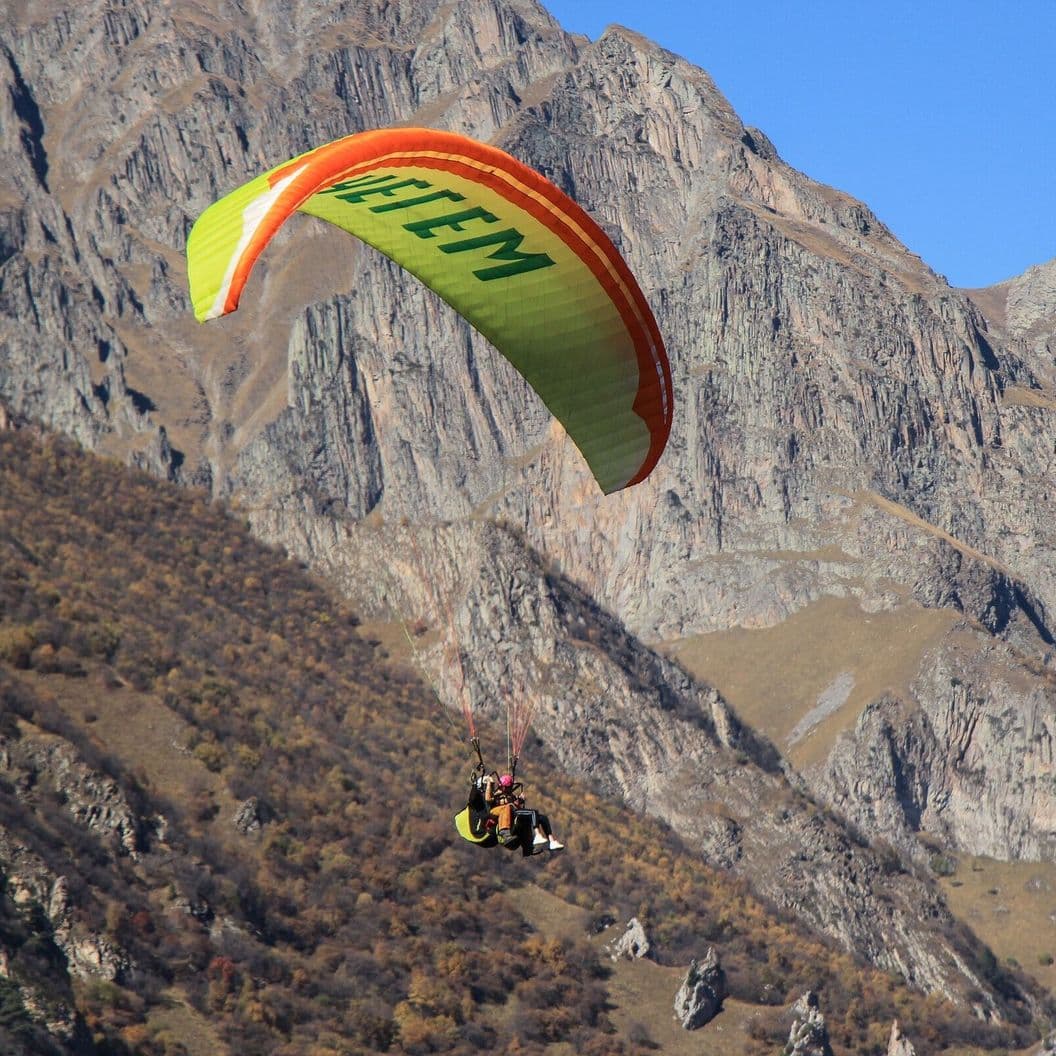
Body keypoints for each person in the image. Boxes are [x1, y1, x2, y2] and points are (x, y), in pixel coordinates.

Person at [483, 772, 563, 853]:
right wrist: (489, 784)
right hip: (499, 813)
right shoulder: (497, 795)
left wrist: (519, 801)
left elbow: (515, 807)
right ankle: (506, 832)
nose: (510, 789)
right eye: (508, 787)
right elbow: (488, 799)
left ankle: (551, 841)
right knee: (527, 811)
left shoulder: (511, 796)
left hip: (512, 813)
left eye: (511, 787)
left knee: (542, 818)